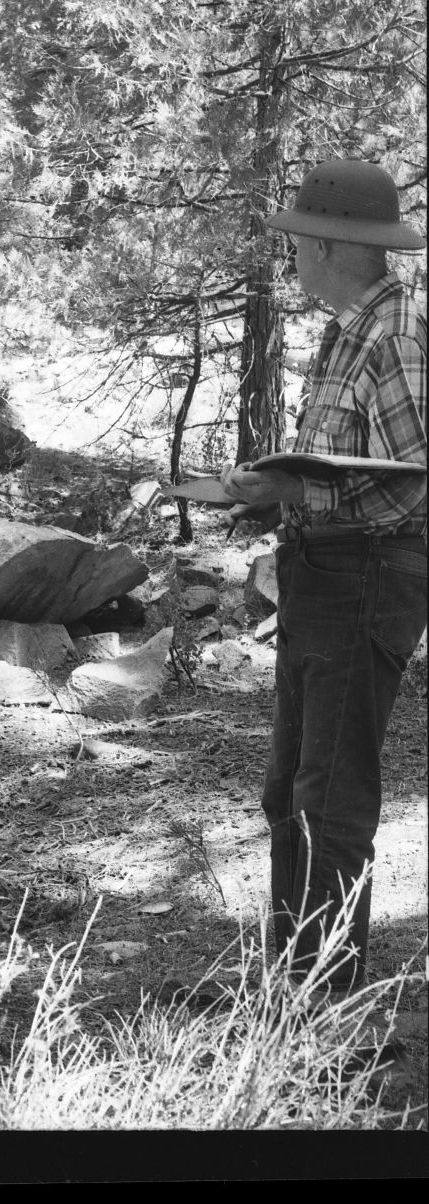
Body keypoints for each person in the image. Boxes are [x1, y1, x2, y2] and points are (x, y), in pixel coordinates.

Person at [219, 158, 426, 992]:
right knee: (290, 791)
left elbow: (412, 478)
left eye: (300, 239)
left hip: (368, 576)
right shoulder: (352, 324)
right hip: (322, 573)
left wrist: (294, 489)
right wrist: (275, 500)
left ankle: (325, 1010)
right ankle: (291, 984)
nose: (293, 254)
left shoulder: (398, 329)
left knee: (327, 798)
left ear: (332, 243)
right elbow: (353, 467)